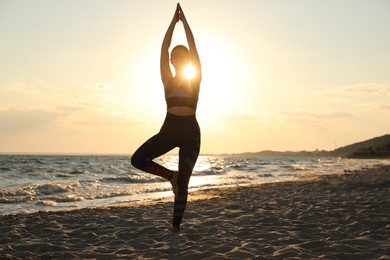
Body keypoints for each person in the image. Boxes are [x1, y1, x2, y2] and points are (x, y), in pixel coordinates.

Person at [131, 3, 201, 232]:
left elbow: (193, 45)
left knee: (185, 184)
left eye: (183, 55)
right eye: (175, 55)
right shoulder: (167, 80)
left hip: (191, 133)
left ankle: (175, 228)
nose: (178, 56)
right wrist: (173, 23)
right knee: (138, 160)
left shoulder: (195, 78)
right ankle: (170, 176)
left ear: (188, 60)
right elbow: (164, 48)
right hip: (169, 130)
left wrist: (186, 23)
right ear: (171, 61)